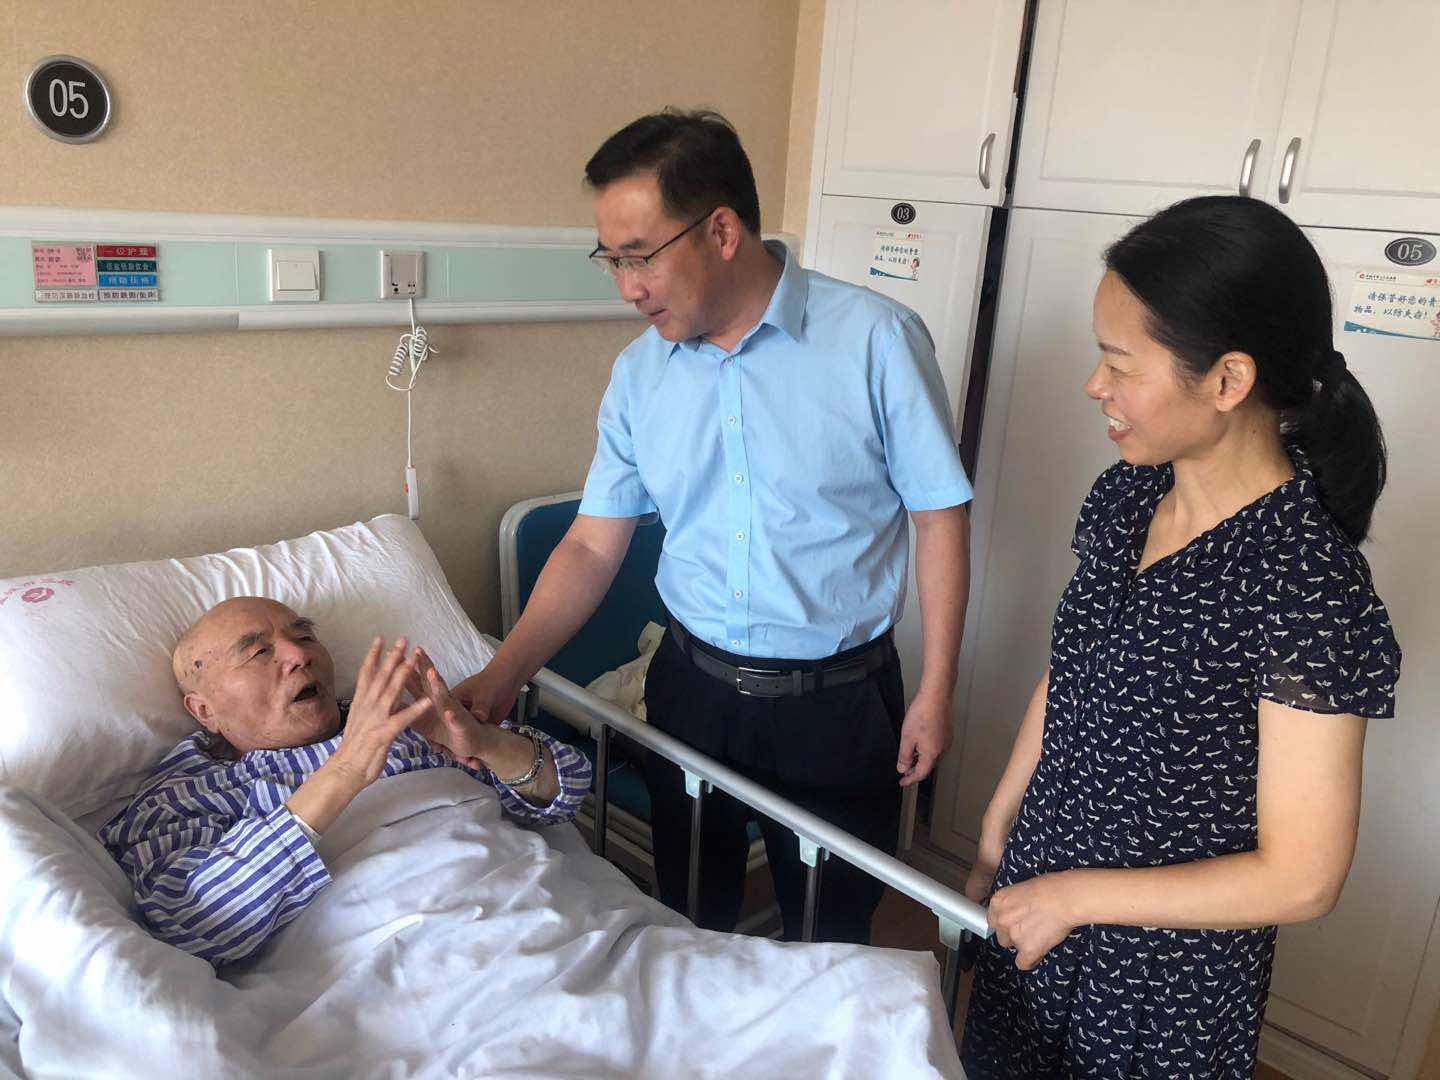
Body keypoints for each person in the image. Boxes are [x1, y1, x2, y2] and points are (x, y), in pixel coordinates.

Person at [452, 109, 972, 944]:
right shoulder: (639, 375)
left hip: (835, 706)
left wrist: (937, 688)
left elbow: (938, 517)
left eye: (640, 255)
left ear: (722, 231)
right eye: (611, 260)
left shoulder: (875, 341)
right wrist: (505, 671)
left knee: (830, 942)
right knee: (695, 920)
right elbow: (591, 542)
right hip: (690, 692)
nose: (627, 287)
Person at [960, 196, 1402, 1078]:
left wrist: (1075, 899)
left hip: (1159, 977)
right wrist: (998, 825)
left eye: (1119, 363)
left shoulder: (1306, 584)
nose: (1095, 385)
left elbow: (1303, 877)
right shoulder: (1126, 495)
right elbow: (1071, 675)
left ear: (1228, 381)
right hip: (1041, 897)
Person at [99, 596, 592, 966]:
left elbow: (567, 791)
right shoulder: (190, 789)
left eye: (304, 636)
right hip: (413, 972)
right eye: (258, 652)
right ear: (204, 710)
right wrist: (345, 770)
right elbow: (190, 925)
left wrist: (483, 742)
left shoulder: (405, 719)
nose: (298, 654)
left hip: (554, 926)